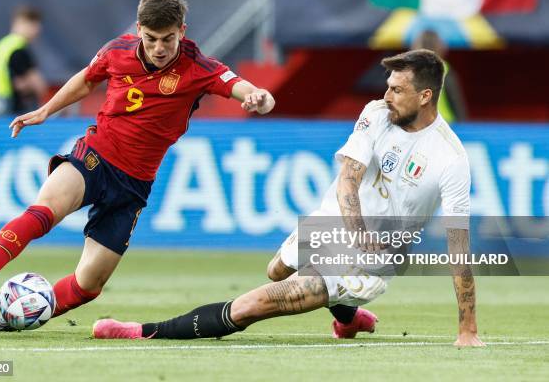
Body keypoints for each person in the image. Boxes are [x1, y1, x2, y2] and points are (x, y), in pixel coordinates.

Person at [93, 49, 485, 347]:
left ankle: (140, 331)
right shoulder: (378, 112)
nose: (386, 95)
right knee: (276, 270)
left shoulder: (450, 159)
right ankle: (348, 319)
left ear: (425, 96)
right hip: (339, 223)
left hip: (377, 257)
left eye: (397, 90)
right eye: (387, 86)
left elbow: (458, 244)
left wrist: (467, 328)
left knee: (258, 303)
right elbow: (348, 179)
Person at [0, 0, 275, 331]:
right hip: (95, 156)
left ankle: (15, 319)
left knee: (89, 285)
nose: (159, 48)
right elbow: (86, 80)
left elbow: (243, 88)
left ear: (182, 30)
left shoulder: (199, 67)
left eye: (168, 39)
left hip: (133, 186)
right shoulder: (117, 50)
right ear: (138, 29)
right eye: (150, 39)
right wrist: (46, 110)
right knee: (45, 210)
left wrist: (259, 98)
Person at [0, 5, 48, 118]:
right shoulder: (18, 49)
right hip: (7, 103)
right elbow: (36, 85)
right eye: (34, 25)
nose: (37, 31)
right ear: (21, 24)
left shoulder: (4, 44)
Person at [411, 30, 467, 123]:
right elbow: (456, 102)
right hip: (445, 124)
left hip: (418, 125)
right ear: (440, 46)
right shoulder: (445, 69)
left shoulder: (408, 71)